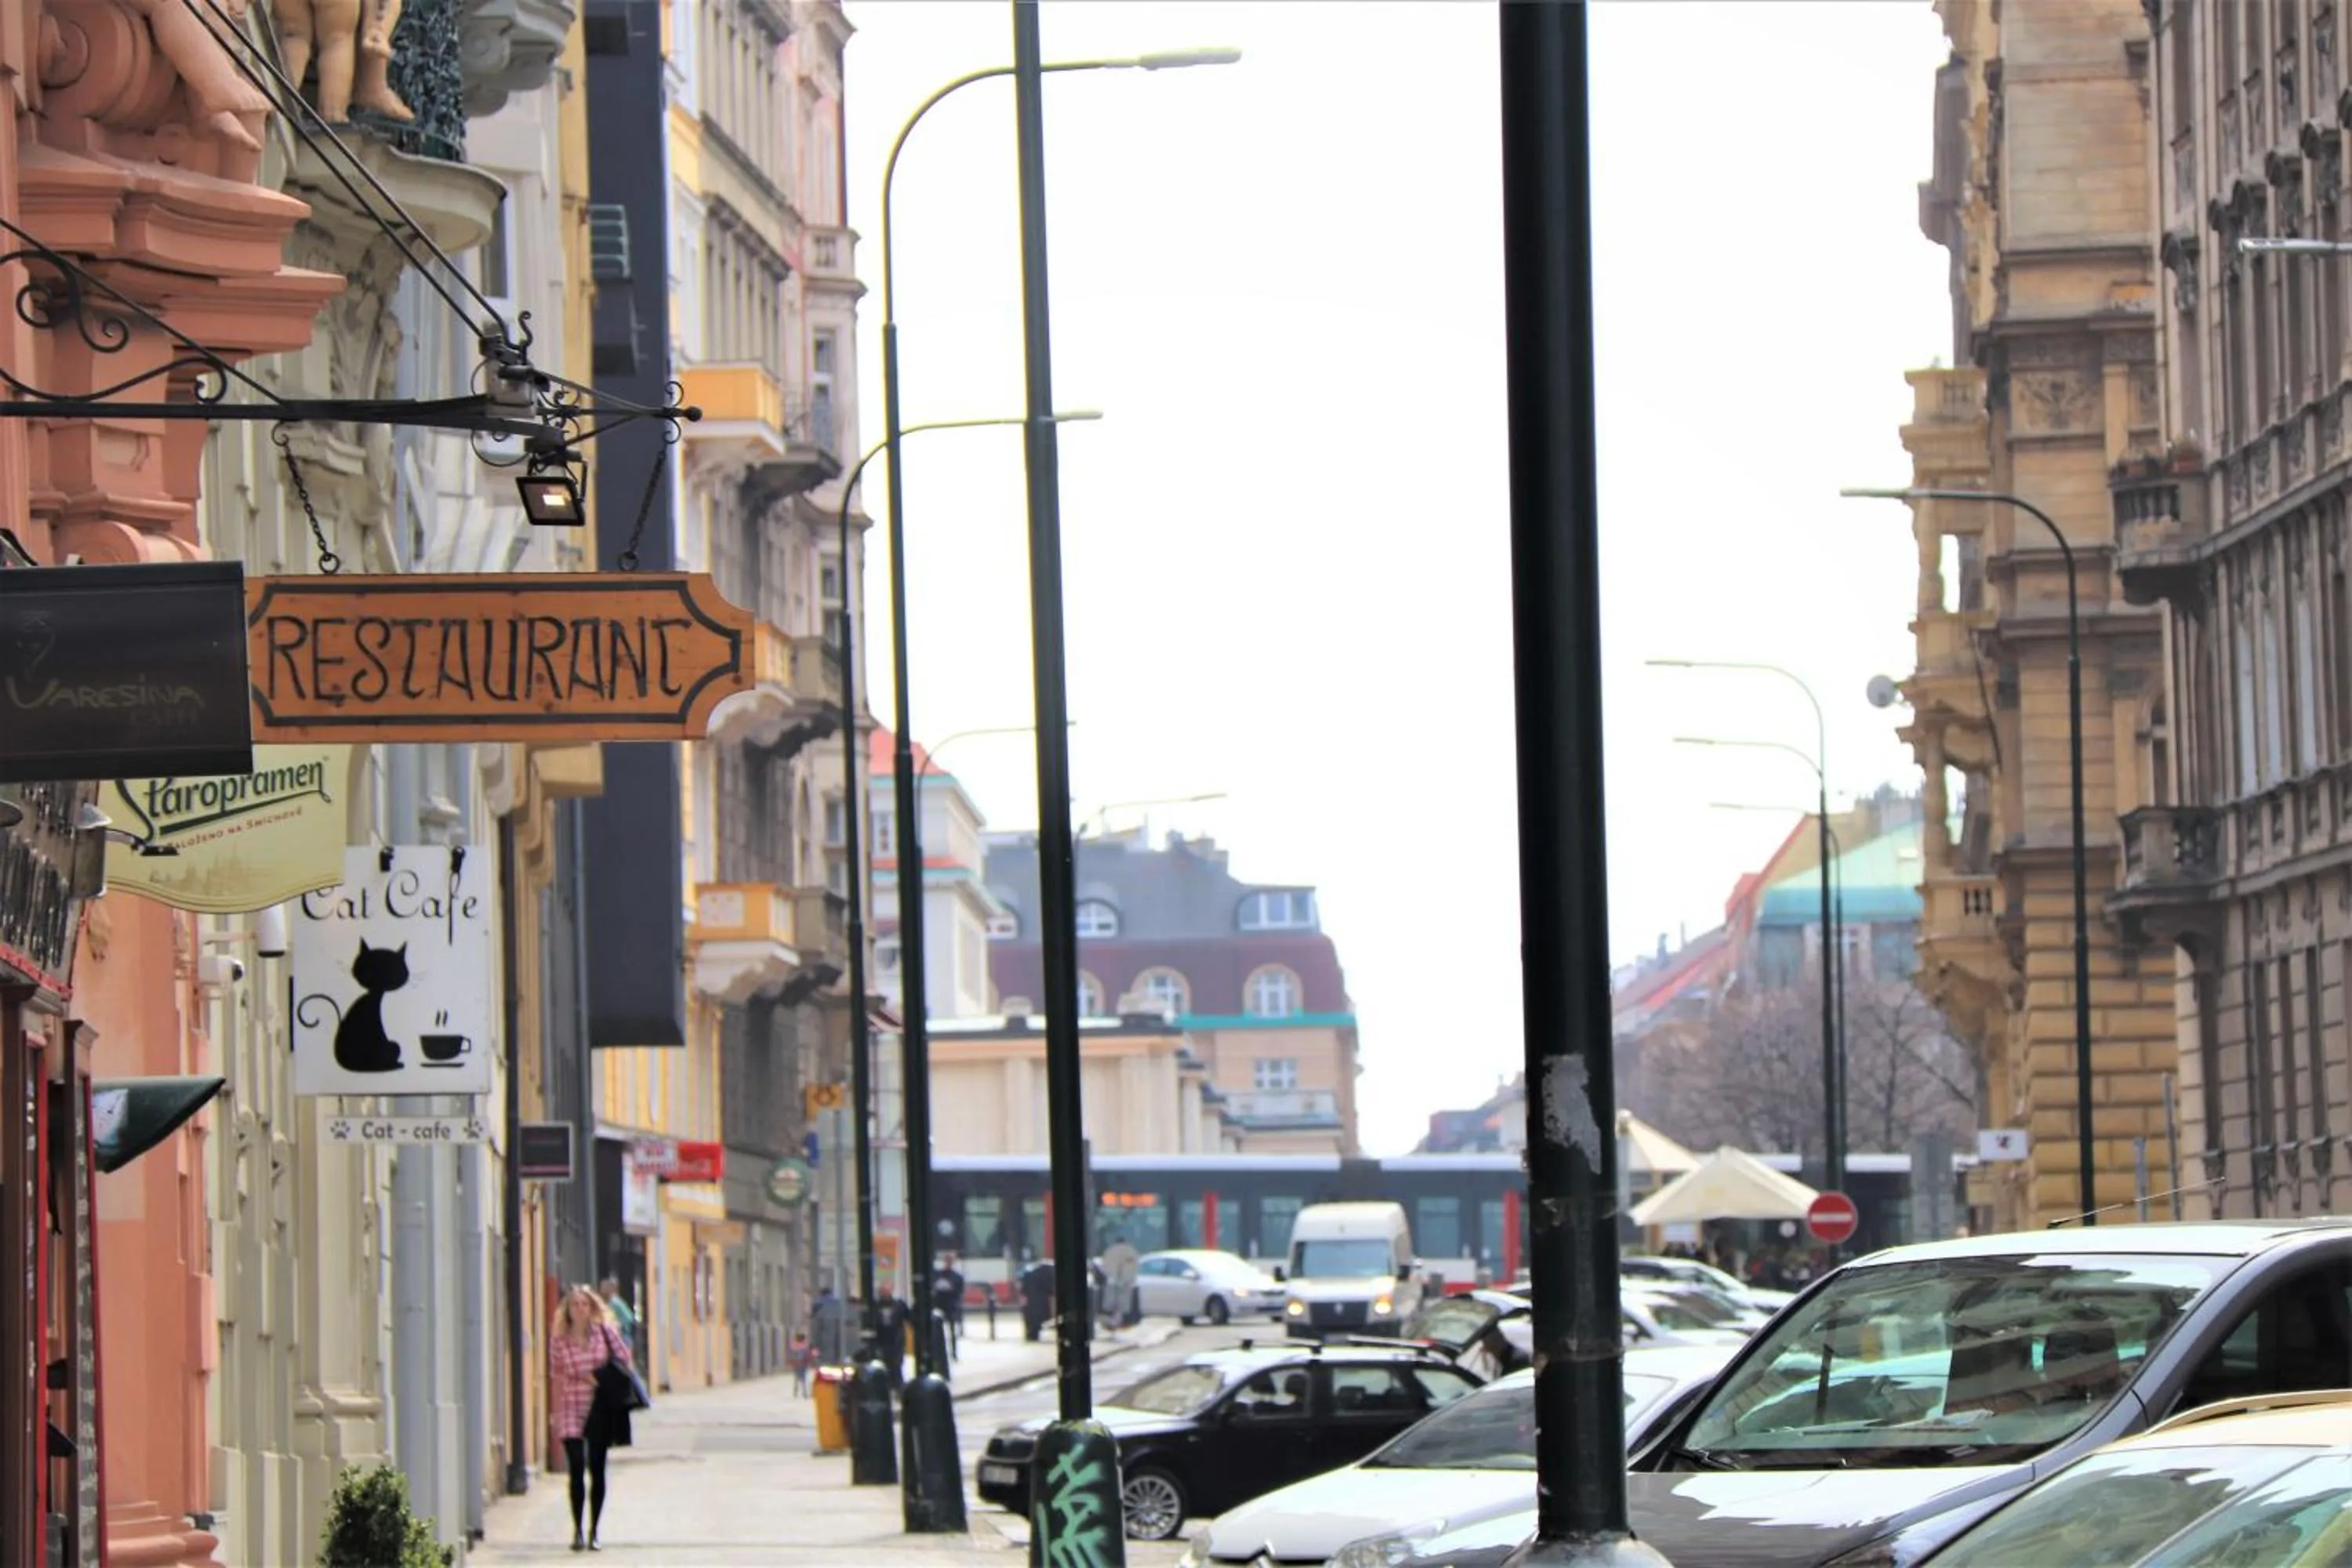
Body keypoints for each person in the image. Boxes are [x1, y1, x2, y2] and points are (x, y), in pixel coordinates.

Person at [550, 1283, 634, 1552]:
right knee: (576, 1466)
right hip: (572, 1406)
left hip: (600, 1406)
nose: (580, 1309)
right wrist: (555, 1415)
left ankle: (594, 1531)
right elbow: (557, 1377)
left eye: (585, 1304)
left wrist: (596, 1377)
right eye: (575, 1305)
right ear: (568, 1310)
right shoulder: (559, 1341)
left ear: (592, 1308)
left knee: (597, 1469)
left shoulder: (604, 1333)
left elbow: (624, 1358)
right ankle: (577, 1531)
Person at [931, 1254, 967, 1357]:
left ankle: (954, 1352)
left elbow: (960, 1292)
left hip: (951, 1305)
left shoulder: (957, 1277)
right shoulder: (937, 1274)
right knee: (937, 1330)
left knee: (952, 1330)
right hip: (938, 1304)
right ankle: (938, 1352)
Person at [786, 1330, 814, 1397]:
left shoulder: (793, 1346)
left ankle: (795, 1391)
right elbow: (808, 1355)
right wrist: (809, 1362)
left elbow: (790, 1355)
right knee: (803, 1378)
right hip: (803, 1364)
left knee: (796, 1377)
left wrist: (790, 1362)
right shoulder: (805, 1346)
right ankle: (804, 1392)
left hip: (796, 1364)